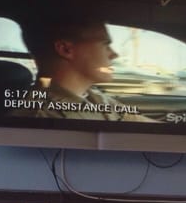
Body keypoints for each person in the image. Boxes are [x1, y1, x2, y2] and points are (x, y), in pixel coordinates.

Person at [15, 12, 155, 122]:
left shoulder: (95, 98)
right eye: (105, 45)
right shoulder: (41, 118)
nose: (114, 54)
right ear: (66, 50)